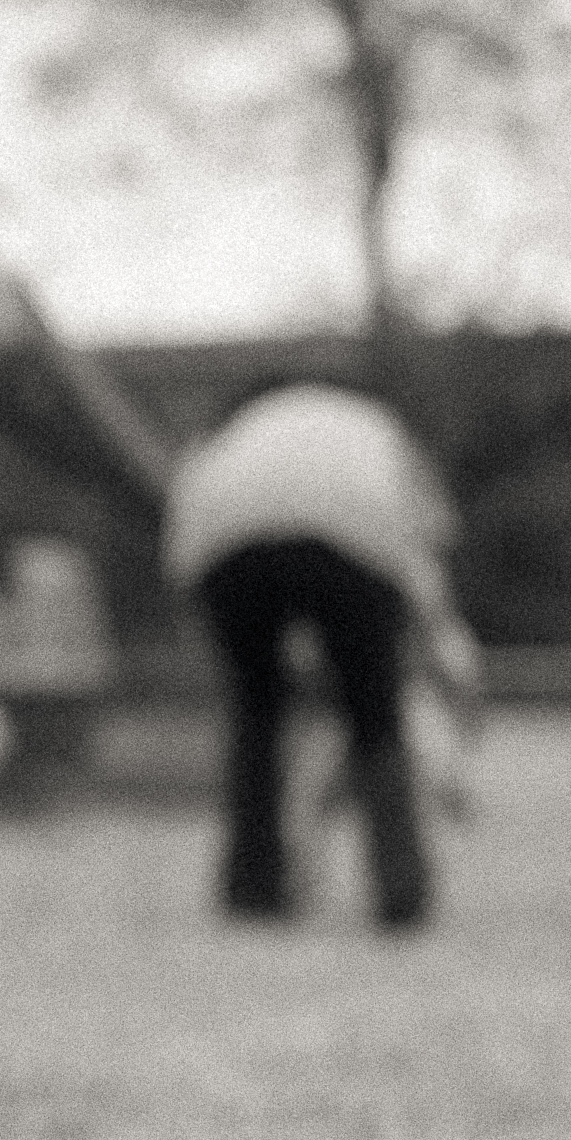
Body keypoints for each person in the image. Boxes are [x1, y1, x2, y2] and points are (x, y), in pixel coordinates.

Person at [161, 379, 481, 928]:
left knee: (257, 713)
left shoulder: (243, 429)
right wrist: (434, 629)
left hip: (223, 536)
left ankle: (254, 889)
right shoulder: (379, 430)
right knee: (374, 715)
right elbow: (428, 536)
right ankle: (401, 891)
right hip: (352, 534)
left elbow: (183, 523)